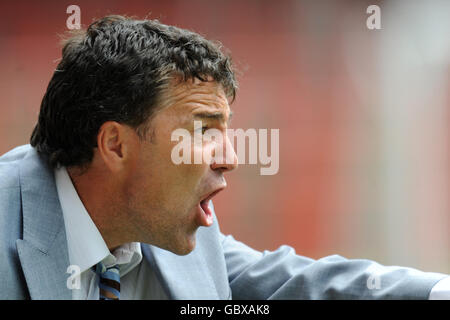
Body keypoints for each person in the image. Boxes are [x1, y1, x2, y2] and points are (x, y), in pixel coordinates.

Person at [0, 15, 448, 300]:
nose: (231, 157)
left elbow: (292, 284)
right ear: (116, 145)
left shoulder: (167, 229)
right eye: (203, 130)